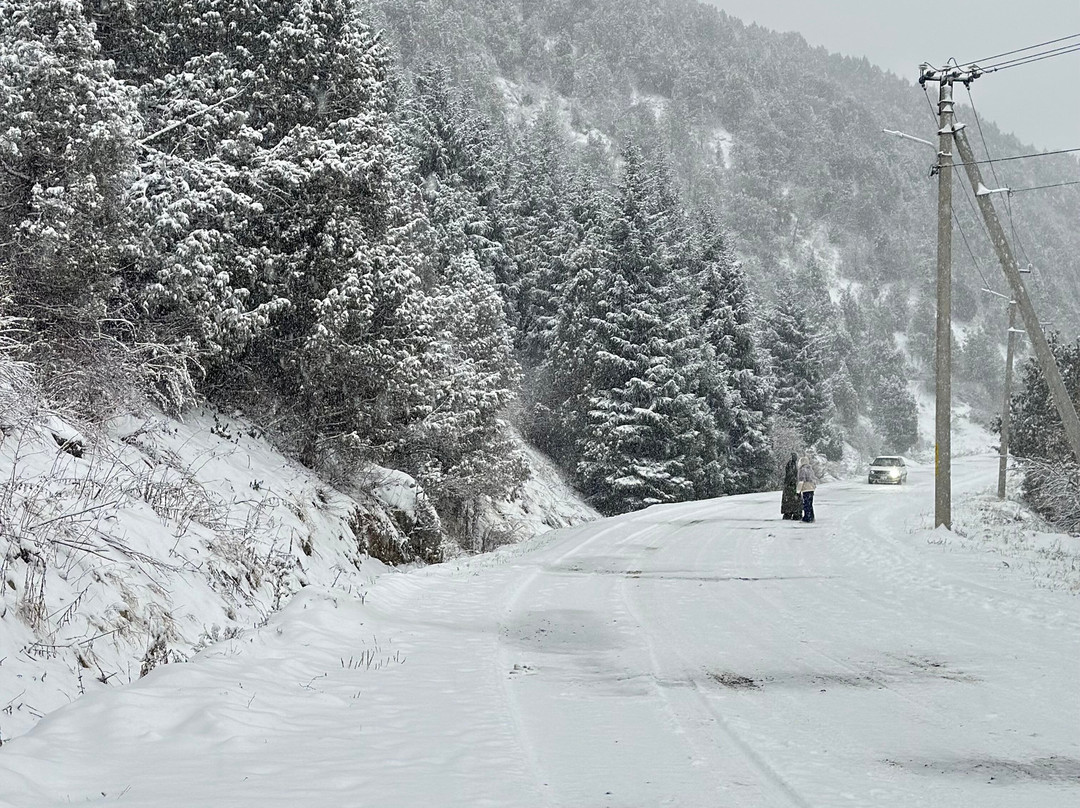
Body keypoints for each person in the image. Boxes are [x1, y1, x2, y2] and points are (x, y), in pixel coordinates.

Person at [797, 456, 817, 523]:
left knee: (806, 504)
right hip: (811, 488)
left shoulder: (802, 469)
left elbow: (801, 480)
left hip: (806, 488)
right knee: (810, 503)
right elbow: (814, 479)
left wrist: (798, 490)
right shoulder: (810, 469)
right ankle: (811, 516)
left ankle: (807, 517)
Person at [781, 453, 801, 520]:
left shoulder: (794, 464)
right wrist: (793, 481)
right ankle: (790, 513)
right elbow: (790, 474)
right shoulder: (791, 464)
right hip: (790, 485)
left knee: (793, 500)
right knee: (791, 500)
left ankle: (793, 513)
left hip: (792, 485)